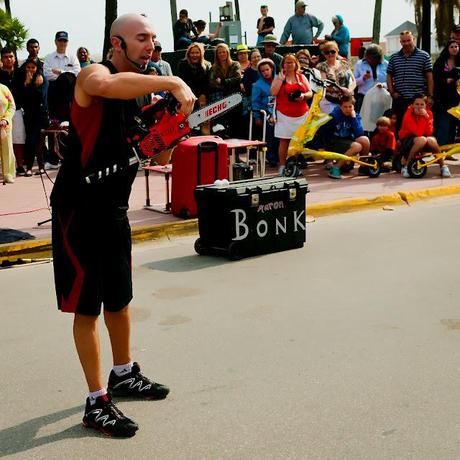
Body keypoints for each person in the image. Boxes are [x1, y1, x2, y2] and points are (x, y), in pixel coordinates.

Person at [50, 13, 195, 438]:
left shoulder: (140, 94)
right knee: (87, 306)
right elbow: (104, 86)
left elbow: (160, 159)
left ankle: (123, 372)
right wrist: (172, 82)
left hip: (114, 208)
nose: (151, 45)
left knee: (119, 297)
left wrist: (167, 137)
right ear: (117, 44)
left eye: (153, 38)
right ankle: (96, 401)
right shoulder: (96, 74)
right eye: (141, 38)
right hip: (79, 207)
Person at [43, 31, 81, 169]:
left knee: (70, 125)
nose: (62, 43)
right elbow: (47, 74)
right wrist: (65, 75)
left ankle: (69, 156)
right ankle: (53, 159)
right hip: (55, 93)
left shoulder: (72, 57)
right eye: (60, 41)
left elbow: (77, 73)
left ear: (67, 42)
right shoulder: (49, 58)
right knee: (54, 124)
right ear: (55, 42)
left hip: (70, 95)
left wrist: (61, 73)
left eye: (64, 41)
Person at [271, 53, 312, 176]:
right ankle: (283, 166)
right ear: (282, 64)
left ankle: (294, 164)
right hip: (284, 114)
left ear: (296, 64)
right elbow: (273, 92)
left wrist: (303, 96)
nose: (289, 65)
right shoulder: (278, 77)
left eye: (291, 62)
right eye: (286, 62)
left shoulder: (301, 77)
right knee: (284, 140)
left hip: (301, 113)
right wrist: (281, 80)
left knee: (298, 141)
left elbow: (310, 92)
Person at [387, 31, 433, 132]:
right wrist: (392, 92)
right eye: (403, 41)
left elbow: (429, 77)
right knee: (399, 126)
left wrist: (430, 96)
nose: (406, 43)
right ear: (400, 42)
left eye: (409, 40)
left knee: (419, 127)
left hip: (418, 100)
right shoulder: (394, 58)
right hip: (400, 98)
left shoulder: (424, 56)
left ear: (413, 39)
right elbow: (389, 75)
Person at [398, 94, 450, 178]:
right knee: (421, 139)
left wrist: (426, 116)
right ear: (412, 105)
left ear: (425, 105)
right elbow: (418, 133)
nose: (419, 107)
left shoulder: (429, 113)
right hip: (408, 140)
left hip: (423, 139)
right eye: (417, 104)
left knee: (431, 140)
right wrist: (424, 118)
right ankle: (406, 166)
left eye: (422, 104)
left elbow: (429, 132)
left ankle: (443, 166)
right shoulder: (408, 114)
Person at [319, 95, 370, 179]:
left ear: (353, 107)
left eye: (350, 106)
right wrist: (327, 153)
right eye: (345, 107)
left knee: (365, 140)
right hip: (335, 142)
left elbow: (359, 133)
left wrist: (353, 119)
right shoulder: (334, 116)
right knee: (357, 146)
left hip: (348, 142)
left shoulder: (355, 116)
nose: (348, 109)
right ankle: (336, 167)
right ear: (340, 107)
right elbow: (324, 131)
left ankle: (363, 167)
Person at [19, 58, 48, 176]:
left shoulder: (43, 79)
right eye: (28, 67)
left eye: (33, 67)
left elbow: (41, 96)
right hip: (29, 115)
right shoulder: (24, 80)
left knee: (39, 143)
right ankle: (30, 167)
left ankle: (41, 167)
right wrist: (27, 83)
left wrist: (33, 86)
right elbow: (23, 98)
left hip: (41, 115)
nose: (30, 70)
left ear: (37, 68)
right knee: (30, 141)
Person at [0, 47, 26, 175]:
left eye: (11, 56)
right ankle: (4, 169)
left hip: (18, 110)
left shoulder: (22, 73)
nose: (9, 59)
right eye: (6, 57)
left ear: (15, 58)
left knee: (18, 139)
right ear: (1, 59)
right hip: (2, 113)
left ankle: (20, 165)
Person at [208, 43, 241, 136]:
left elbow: (237, 78)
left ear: (227, 53)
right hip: (220, 98)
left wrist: (223, 82)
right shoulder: (213, 68)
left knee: (234, 123)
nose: (222, 54)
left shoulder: (235, 64)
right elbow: (212, 83)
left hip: (234, 96)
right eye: (220, 52)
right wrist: (225, 84)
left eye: (224, 52)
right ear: (217, 54)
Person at [433, 40, 460, 147]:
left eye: (456, 46)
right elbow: (435, 77)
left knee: (453, 125)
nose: (454, 48)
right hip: (443, 99)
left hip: (456, 100)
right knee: (444, 125)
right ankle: (440, 150)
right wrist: (447, 79)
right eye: (452, 47)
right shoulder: (441, 61)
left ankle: (448, 151)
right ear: (447, 49)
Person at [251, 58, 278, 166]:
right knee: (270, 135)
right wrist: (257, 117)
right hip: (266, 113)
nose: (265, 72)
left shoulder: (279, 80)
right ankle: (271, 158)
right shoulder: (257, 85)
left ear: (272, 69)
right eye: (263, 71)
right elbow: (255, 101)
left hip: (281, 111)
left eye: (267, 69)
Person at [316, 41, 355, 114]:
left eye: (332, 51)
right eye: (327, 52)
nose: (330, 54)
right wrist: (340, 90)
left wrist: (349, 90)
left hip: (346, 102)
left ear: (337, 51)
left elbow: (353, 81)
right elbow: (324, 84)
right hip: (329, 102)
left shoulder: (344, 63)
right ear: (324, 54)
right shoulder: (321, 66)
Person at [354, 44, 388, 113]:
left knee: (380, 121)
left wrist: (383, 85)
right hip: (363, 97)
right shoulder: (359, 64)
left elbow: (391, 81)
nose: (370, 60)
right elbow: (353, 82)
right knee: (362, 121)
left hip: (381, 97)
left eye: (372, 58)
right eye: (368, 58)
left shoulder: (386, 64)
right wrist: (362, 78)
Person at [0, 83, 15, 184]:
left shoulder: (4, 88)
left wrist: (6, 119)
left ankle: (8, 174)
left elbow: (12, 106)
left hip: (5, 126)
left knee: (8, 150)